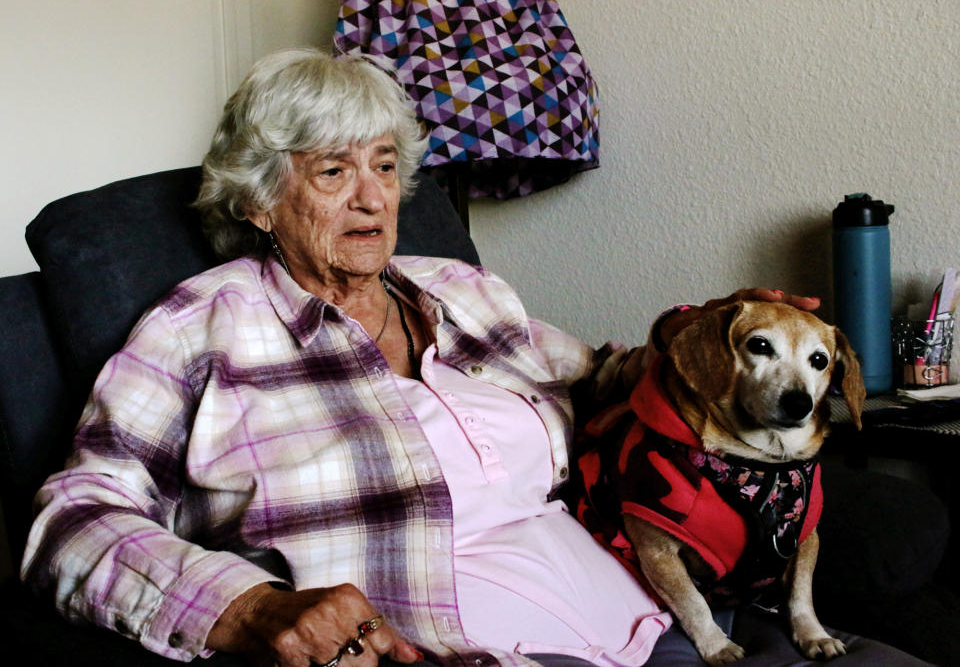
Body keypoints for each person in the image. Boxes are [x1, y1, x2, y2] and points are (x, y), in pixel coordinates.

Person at [21, 48, 927, 667]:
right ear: (259, 200)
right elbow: (75, 516)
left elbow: (599, 373)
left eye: (385, 165)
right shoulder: (199, 328)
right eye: (333, 172)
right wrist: (247, 609)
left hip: (653, 612)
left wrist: (710, 329)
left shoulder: (460, 288)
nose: (374, 200)